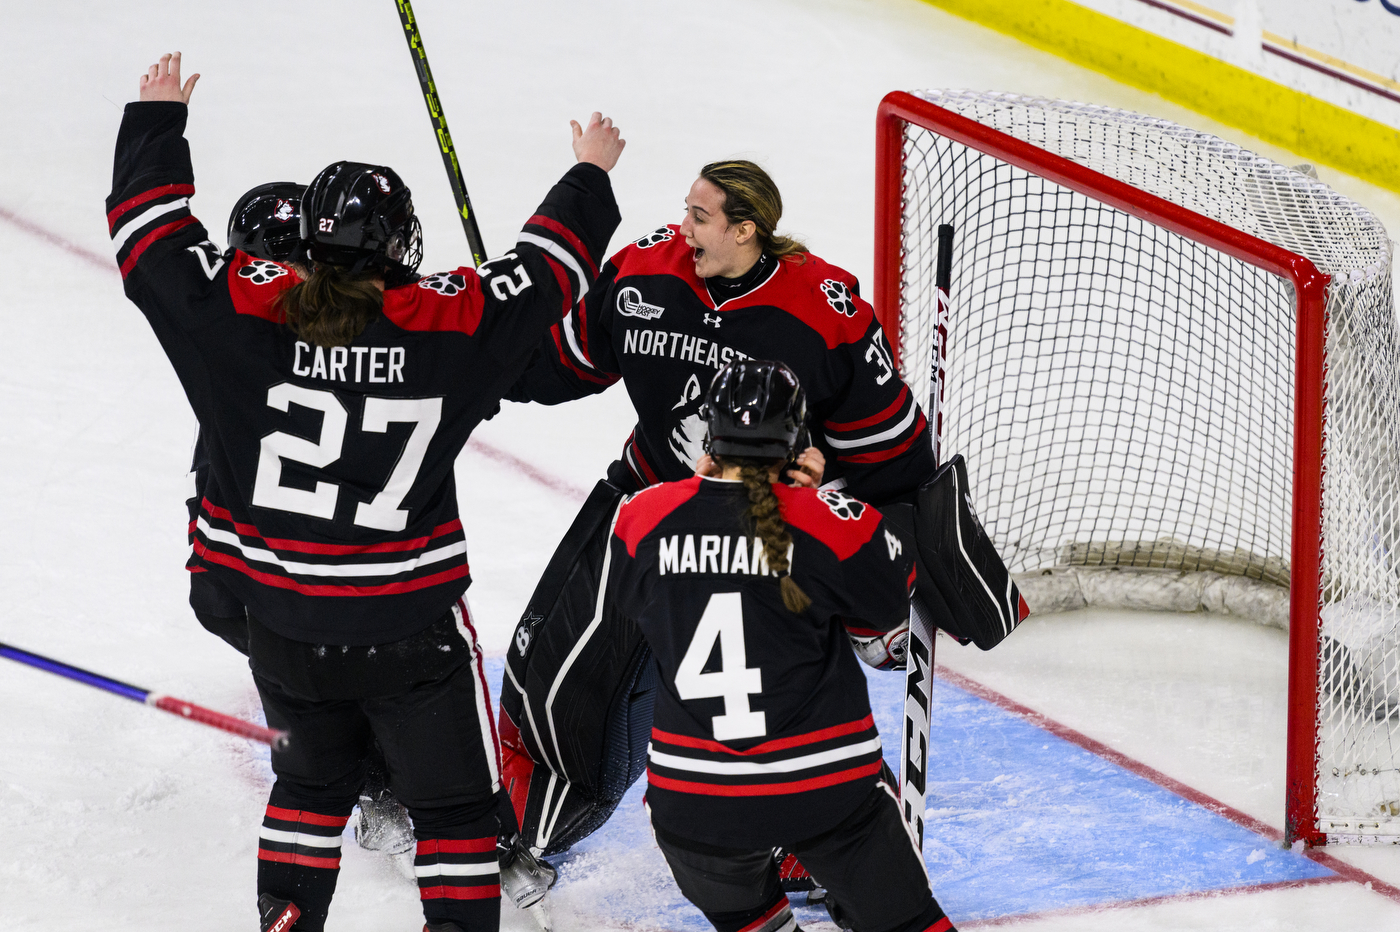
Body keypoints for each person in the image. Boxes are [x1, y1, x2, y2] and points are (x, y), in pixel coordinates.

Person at [109, 52, 624, 932]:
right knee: (458, 816)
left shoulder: (243, 310)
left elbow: (149, 241)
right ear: (401, 248)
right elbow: (547, 272)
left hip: (282, 622)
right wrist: (588, 174)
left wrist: (157, 122)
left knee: (309, 785)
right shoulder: (452, 324)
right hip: (407, 633)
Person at [498, 160, 936, 859]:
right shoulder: (646, 272)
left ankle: (825, 837)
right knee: (550, 669)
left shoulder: (823, 309)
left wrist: (866, 556)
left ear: (745, 230)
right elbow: (564, 361)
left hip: (767, 530)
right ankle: (527, 817)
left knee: (767, 691)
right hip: (649, 506)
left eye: (700, 217)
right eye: (685, 211)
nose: (684, 228)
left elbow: (894, 452)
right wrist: (489, 346)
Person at [607, 359, 955, 932]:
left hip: (692, 800)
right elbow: (886, 614)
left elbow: (636, 601)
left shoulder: (641, 516)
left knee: (751, 921)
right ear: (794, 440)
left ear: (710, 435)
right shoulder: (834, 522)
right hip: (822, 789)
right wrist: (812, 503)